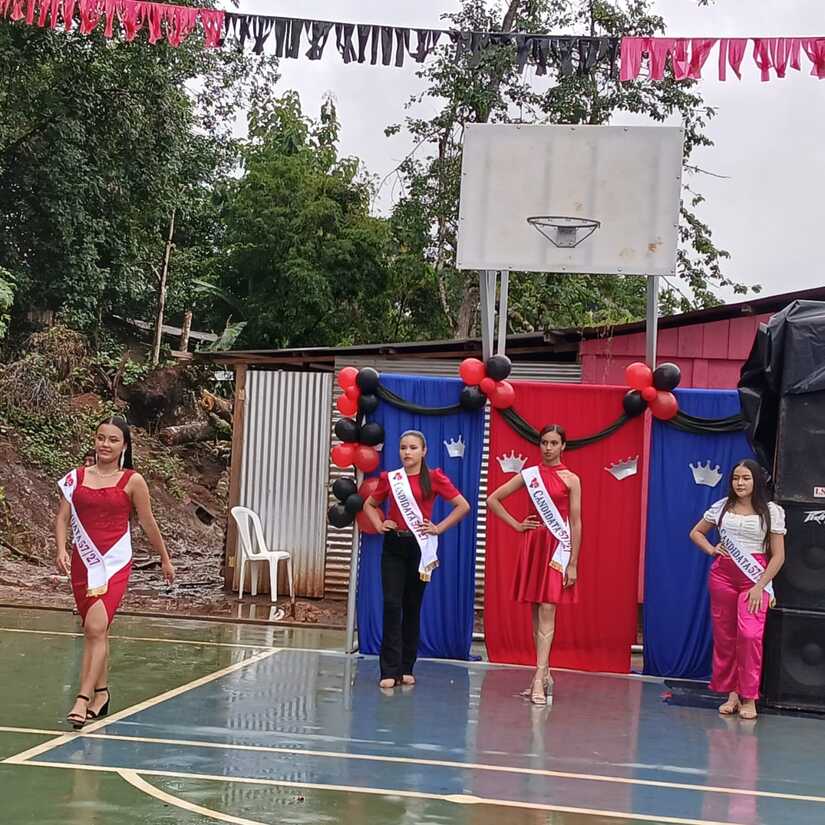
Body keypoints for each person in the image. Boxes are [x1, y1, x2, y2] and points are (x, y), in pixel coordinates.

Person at [55, 415, 175, 728]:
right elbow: (62, 517)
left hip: (114, 563)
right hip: (83, 563)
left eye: (113, 440)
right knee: (96, 630)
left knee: (95, 627)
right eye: (101, 438)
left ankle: (82, 698)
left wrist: (165, 558)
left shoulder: (133, 481)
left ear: (124, 446)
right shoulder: (76, 477)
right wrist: (60, 549)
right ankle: (102, 694)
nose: (105, 444)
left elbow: (148, 522)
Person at [363, 430, 470, 689]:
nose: (407, 452)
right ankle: (388, 670)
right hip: (394, 545)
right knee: (392, 604)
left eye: (413, 447)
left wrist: (438, 528)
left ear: (424, 451)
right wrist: (379, 524)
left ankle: (406, 667)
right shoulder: (391, 478)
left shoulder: (434, 478)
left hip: (420, 547)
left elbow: (463, 505)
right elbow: (369, 504)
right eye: (403, 448)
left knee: (412, 606)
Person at [487, 424, 582, 705]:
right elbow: (493, 500)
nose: (548, 448)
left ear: (563, 446)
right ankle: (544, 673)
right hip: (534, 545)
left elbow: (576, 522)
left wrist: (573, 562)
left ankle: (539, 678)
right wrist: (517, 525)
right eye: (544, 443)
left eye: (554, 443)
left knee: (549, 607)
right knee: (536, 611)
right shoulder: (529, 475)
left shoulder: (572, 479)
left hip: (557, 548)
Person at [689, 459, 786, 721]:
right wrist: (712, 550)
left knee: (750, 636)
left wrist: (760, 586)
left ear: (756, 481)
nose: (740, 483)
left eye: (745, 478)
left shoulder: (771, 511)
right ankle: (732, 694)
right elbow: (696, 533)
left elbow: (778, 556)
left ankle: (750, 697)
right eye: (735, 478)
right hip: (723, 577)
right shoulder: (722, 507)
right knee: (726, 638)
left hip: (754, 579)